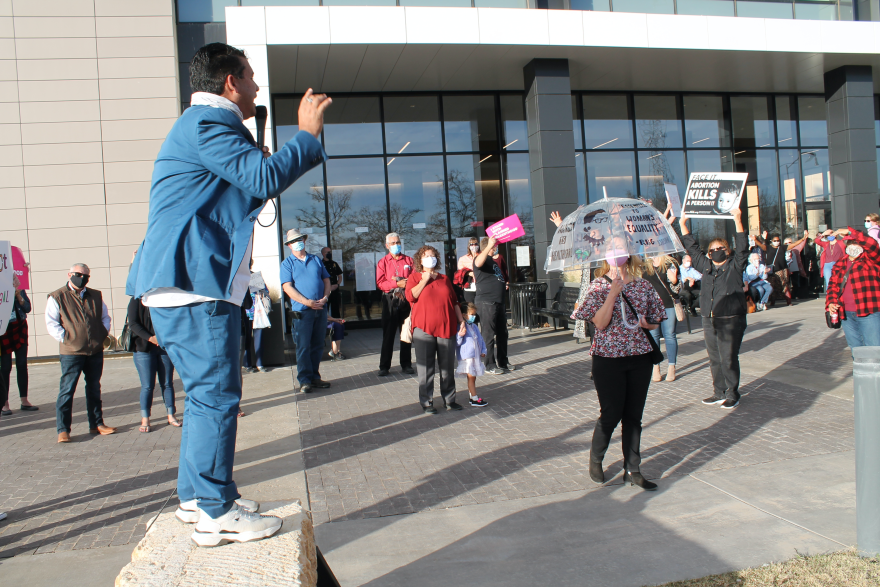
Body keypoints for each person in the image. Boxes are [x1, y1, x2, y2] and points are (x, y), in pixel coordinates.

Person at [126, 42, 331, 546]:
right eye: (252, 77)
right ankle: (216, 512)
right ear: (230, 83)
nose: (257, 87)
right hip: (194, 285)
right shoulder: (207, 124)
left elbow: (247, 186)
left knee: (202, 398)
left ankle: (197, 497)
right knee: (218, 395)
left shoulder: (201, 129)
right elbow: (261, 177)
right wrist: (306, 135)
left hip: (182, 285)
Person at [572, 250, 665, 491]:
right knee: (611, 414)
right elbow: (600, 323)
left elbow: (656, 319)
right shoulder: (597, 286)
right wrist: (613, 292)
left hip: (639, 357)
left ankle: (633, 470)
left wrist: (648, 323)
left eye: (622, 248)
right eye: (613, 249)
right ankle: (596, 459)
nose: (618, 253)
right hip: (608, 359)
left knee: (634, 417)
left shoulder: (643, 286)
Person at [679, 207, 749, 409]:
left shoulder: (735, 266)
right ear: (709, 254)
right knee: (714, 357)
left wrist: (737, 218)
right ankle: (719, 391)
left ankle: (732, 393)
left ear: (727, 250)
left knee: (728, 357)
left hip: (730, 319)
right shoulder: (706, 266)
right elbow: (692, 249)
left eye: (720, 248)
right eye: (712, 250)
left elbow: (743, 247)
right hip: (709, 318)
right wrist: (683, 224)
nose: (716, 252)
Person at [46, 263, 116, 443]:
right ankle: (63, 430)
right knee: (67, 390)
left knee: (94, 388)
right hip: (71, 352)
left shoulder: (96, 295)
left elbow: (105, 317)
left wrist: (102, 332)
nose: (82, 278)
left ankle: (97, 424)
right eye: (78, 274)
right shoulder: (57, 296)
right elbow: (52, 323)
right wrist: (66, 338)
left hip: (94, 350)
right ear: (69, 274)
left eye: (86, 275)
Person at [405, 244, 467, 414]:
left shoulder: (444, 279)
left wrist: (461, 320)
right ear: (420, 259)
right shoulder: (414, 277)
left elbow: (454, 301)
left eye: (432, 255)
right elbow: (411, 296)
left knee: (447, 367)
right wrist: (424, 279)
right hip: (423, 329)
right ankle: (427, 402)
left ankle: (450, 400)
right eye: (426, 255)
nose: (430, 258)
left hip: (446, 327)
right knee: (426, 368)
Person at [281, 229, 332, 394]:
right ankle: (304, 380)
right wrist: (307, 302)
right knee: (303, 346)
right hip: (302, 312)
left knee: (318, 344)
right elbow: (287, 287)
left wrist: (325, 297)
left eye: (300, 238)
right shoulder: (287, 264)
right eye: (294, 240)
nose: (299, 242)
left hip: (320, 309)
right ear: (289, 245)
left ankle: (314, 377)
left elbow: (326, 280)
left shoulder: (316, 259)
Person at [128, 296, 180, 433]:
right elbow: (133, 323)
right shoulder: (136, 299)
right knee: (147, 385)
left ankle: (171, 415)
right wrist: (150, 338)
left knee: (167, 383)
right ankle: (145, 418)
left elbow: (172, 320)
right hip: (143, 349)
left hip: (163, 348)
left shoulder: (162, 297)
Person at [824, 226, 880, 351]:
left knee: (874, 350)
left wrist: (851, 232)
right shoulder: (840, 263)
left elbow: (872, 245)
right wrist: (831, 303)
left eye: (855, 242)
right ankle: (860, 371)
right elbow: (833, 286)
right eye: (850, 243)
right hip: (847, 314)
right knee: (856, 350)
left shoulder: (871, 260)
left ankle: (874, 371)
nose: (853, 246)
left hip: (869, 311)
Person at [474, 236, 515, 374]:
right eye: (494, 246)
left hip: (499, 302)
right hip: (486, 302)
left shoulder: (493, 261)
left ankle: (503, 362)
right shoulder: (480, 259)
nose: (496, 248)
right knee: (488, 334)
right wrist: (488, 246)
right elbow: (478, 263)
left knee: (502, 333)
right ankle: (489, 365)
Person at [376, 233, 414, 377]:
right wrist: (396, 283)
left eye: (398, 242)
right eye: (392, 243)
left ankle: (406, 364)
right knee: (388, 335)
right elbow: (380, 283)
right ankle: (384, 366)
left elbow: (415, 278)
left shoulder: (409, 260)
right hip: (390, 300)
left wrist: (405, 282)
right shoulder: (382, 262)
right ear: (387, 246)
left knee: (405, 333)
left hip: (406, 300)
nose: (396, 245)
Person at [1, 275, 35, 416]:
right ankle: (4, 403)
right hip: (3, 332)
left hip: (19, 328)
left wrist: (18, 294)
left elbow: (27, 308)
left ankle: (24, 400)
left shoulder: (19, 289)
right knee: (5, 367)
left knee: (22, 364)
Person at [644, 255, 680, 383]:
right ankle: (656, 367)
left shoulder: (670, 263)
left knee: (669, 335)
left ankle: (671, 367)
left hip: (668, 304)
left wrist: (674, 281)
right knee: (653, 337)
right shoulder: (644, 265)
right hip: (652, 307)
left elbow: (678, 287)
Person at [755, 230, 808, 306]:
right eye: (775, 240)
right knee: (772, 286)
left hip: (782, 269)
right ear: (771, 241)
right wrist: (755, 239)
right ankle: (772, 301)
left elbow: (794, 244)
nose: (777, 242)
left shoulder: (783, 248)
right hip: (771, 270)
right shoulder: (768, 248)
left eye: (778, 240)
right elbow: (760, 244)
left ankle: (788, 301)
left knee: (785, 285)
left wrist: (803, 238)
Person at [455, 303, 489, 407]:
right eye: (472, 314)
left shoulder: (474, 326)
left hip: (476, 356)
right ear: (464, 315)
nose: (474, 316)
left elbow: (480, 339)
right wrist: (460, 335)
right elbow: (456, 342)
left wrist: (483, 350)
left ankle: (472, 396)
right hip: (467, 357)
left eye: (474, 314)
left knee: (472, 377)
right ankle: (474, 398)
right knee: (471, 376)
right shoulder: (460, 326)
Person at [243, 271, 270, 373]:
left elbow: (266, 291)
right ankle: (247, 364)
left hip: (257, 312)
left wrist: (259, 288)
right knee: (246, 339)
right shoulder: (237, 275)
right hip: (245, 312)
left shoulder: (255, 276)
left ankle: (259, 364)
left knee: (258, 339)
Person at [321, 247, 344, 319]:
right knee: (324, 309)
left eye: (330, 252)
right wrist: (328, 287)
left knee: (336, 309)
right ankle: (326, 327)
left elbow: (340, 276)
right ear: (323, 254)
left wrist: (337, 284)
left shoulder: (334, 264)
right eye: (328, 252)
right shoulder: (320, 264)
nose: (330, 254)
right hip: (325, 291)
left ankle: (337, 327)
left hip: (335, 289)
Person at [456, 237, 480, 304]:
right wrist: (469, 273)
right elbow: (459, 273)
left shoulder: (482, 257)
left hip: (481, 286)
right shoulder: (463, 259)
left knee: (481, 308)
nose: (474, 246)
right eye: (472, 244)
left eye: (476, 244)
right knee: (471, 308)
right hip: (469, 287)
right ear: (469, 246)